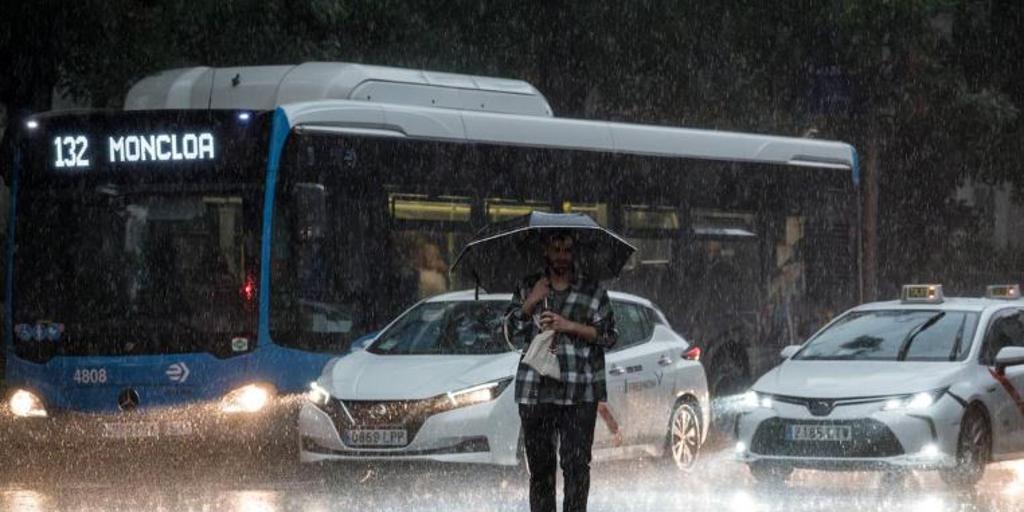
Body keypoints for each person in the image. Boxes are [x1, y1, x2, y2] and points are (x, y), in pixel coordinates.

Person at [506, 230, 617, 512]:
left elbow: (609, 336)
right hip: (536, 391)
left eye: (567, 250)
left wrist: (568, 325)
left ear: (574, 252)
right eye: (556, 249)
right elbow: (509, 335)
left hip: (579, 391)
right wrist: (530, 301)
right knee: (541, 471)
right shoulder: (528, 286)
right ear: (546, 251)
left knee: (577, 467)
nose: (561, 257)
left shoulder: (592, 291)